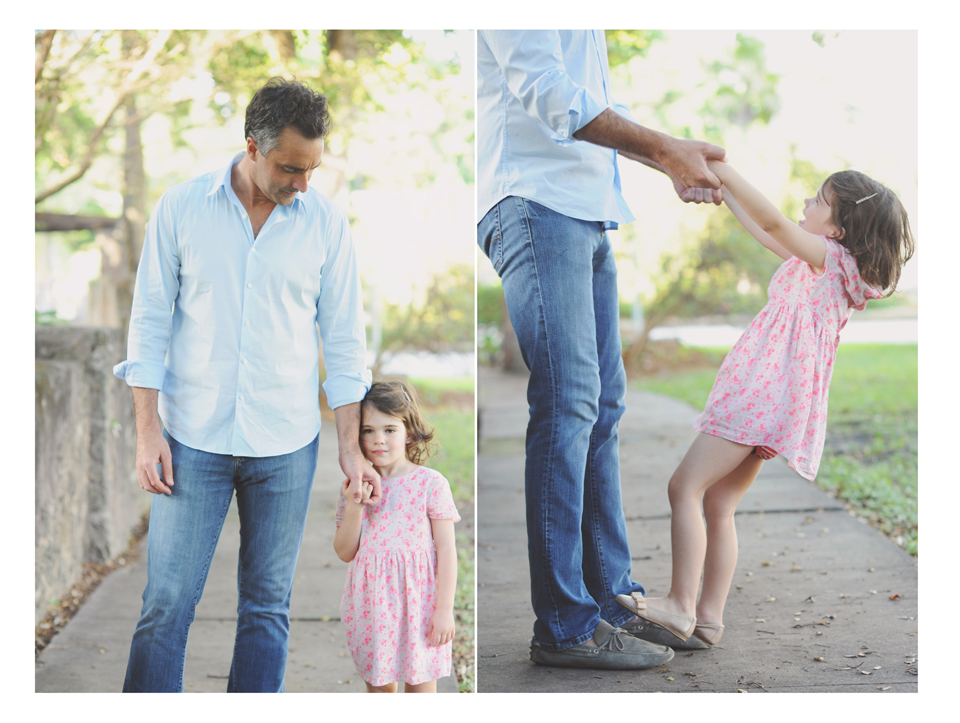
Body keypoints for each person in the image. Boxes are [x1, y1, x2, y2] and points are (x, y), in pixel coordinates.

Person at [113, 77, 380, 693]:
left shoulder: (325, 224)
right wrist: (146, 433)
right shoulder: (180, 208)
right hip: (192, 440)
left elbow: (343, 345)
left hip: (286, 445)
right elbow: (148, 325)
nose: (302, 184)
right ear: (252, 147)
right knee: (165, 607)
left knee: (266, 610)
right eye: (290, 168)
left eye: (312, 170)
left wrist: (348, 444)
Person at [477, 29, 727, 670]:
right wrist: (665, 150)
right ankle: (564, 625)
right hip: (535, 202)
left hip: (583, 210)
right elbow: (551, 94)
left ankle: (612, 602)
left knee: (601, 409)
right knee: (568, 405)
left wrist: (667, 157)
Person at [616, 164, 914, 646]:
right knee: (719, 501)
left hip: (760, 394)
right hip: (778, 405)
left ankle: (679, 604)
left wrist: (727, 172)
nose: (805, 205)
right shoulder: (821, 260)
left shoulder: (829, 259)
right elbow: (764, 230)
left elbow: (775, 223)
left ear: (838, 229)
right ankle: (708, 618)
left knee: (684, 488)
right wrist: (721, 191)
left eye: (817, 202)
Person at [334, 380, 460, 693]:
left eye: (389, 429)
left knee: (420, 689)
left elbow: (446, 550)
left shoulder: (430, 484)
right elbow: (345, 551)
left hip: (421, 607)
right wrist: (354, 504)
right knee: (380, 690)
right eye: (368, 430)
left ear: (410, 433)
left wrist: (444, 610)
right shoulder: (355, 486)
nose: (378, 440)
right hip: (372, 608)